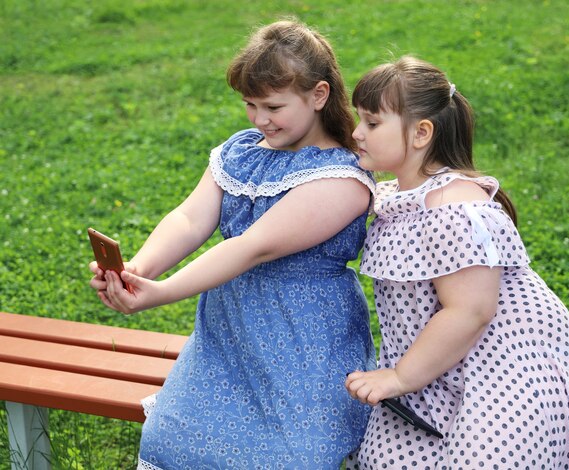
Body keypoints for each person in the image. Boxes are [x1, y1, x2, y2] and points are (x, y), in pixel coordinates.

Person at [90, 20, 376, 469]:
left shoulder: (339, 178)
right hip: (227, 339)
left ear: (318, 96)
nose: (260, 118)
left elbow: (252, 247)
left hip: (302, 347)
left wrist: (162, 294)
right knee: (176, 442)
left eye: (273, 106)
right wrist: (138, 271)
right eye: (249, 104)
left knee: (290, 455)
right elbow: (189, 218)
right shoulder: (242, 151)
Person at [344, 56, 569, 469]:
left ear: (421, 133)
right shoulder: (400, 197)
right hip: (443, 366)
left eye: (372, 123)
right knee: (387, 457)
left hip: (504, 372)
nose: (357, 133)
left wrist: (400, 378)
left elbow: (472, 311)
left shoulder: (455, 208)